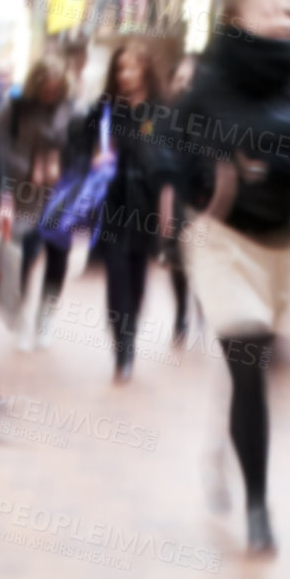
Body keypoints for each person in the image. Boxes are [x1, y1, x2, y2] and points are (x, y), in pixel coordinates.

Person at [175, 0, 290, 555]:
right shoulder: (209, 78)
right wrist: (198, 191)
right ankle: (257, 506)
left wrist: (262, 153)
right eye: (270, 4)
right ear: (241, 16)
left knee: (252, 372)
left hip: (287, 250)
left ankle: (217, 449)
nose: (285, 15)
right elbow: (174, 150)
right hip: (223, 241)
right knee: (247, 360)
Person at [81, 39, 174, 383]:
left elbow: (168, 166)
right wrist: (93, 157)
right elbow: (79, 148)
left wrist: (167, 209)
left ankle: (129, 334)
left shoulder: (160, 112)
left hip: (146, 206)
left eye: (132, 67)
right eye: (120, 67)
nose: (125, 74)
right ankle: (123, 348)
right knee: (117, 277)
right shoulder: (104, 110)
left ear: (146, 69)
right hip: (114, 203)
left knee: (137, 280)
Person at [1, 54, 77, 348]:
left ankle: (45, 318)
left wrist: (61, 162)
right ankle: (20, 316)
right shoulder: (16, 108)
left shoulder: (73, 111)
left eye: (56, 89)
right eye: (46, 88)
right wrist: (28, 166)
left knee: (58, 258)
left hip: (61, 196)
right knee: (24, 257)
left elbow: (82, 150)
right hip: (26, 196)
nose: (51, 94)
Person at [166, 54, 198, 343]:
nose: (184, 86)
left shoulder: (208, 116)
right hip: (173, 194)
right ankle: (181, 314)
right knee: (177, 258)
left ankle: (200, 308)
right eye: (180, 80)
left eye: (190, 80)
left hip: (201, 195)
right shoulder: (164, 115)